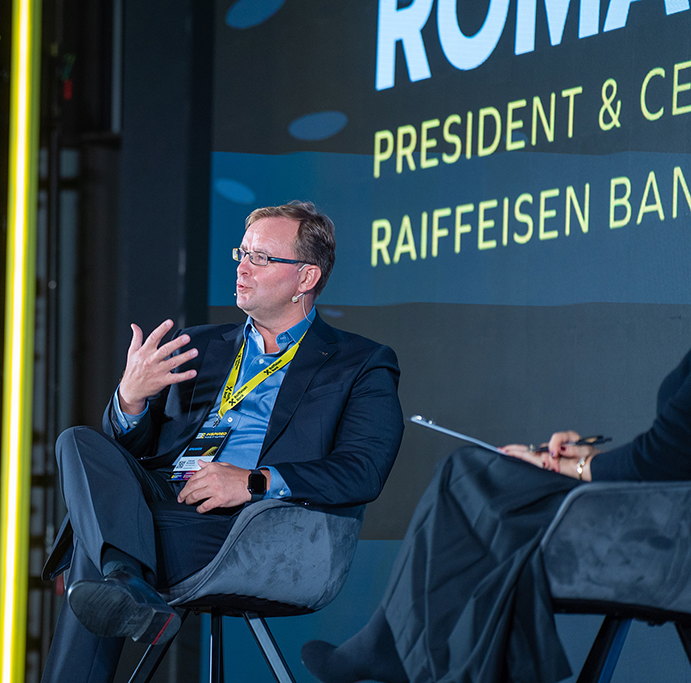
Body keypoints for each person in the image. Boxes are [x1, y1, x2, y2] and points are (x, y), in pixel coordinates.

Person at [39, 201, 405, 683]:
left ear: (306, 277)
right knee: (77, 441)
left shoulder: (359, 362)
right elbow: (126, 456)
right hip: (167, 495)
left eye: (261, 258)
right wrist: (130, 399)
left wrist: (253, 482)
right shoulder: (201, 345)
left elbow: (363, 470)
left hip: (248, 524)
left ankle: (124, 575)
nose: (242, 268)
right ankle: (124, 576)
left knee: (100, 543)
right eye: (242, 253)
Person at [301, 347, 691, 683]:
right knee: (480, 485)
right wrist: (588, 459)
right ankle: (401, 648)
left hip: (664, 547)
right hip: (663, 530)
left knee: (471, 476)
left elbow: (657, 463)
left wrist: (561, 466)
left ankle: (396, 648)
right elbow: (674, 459)